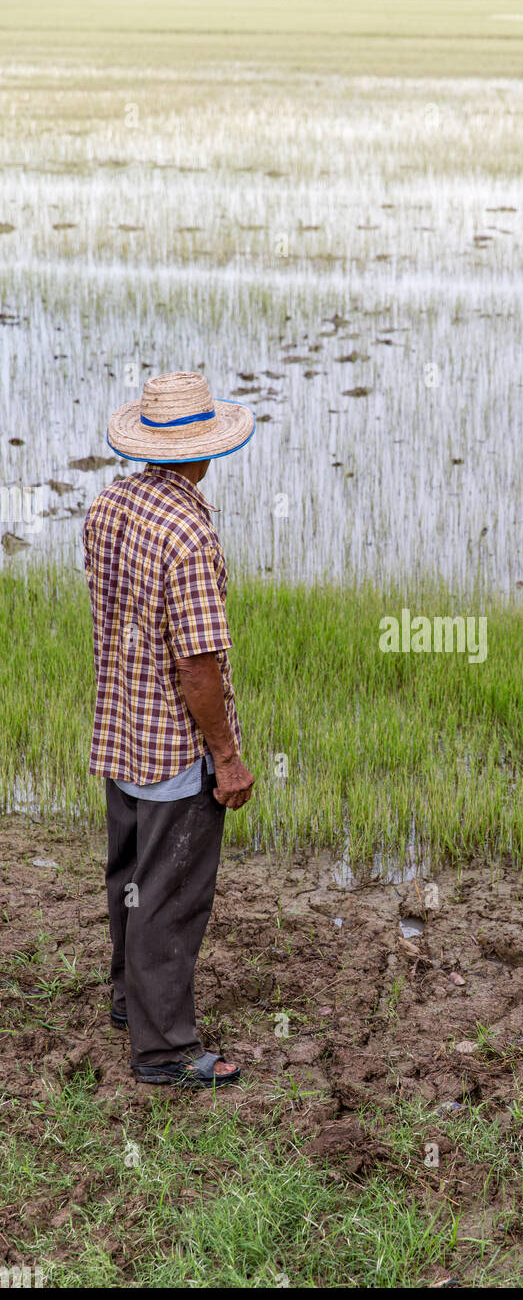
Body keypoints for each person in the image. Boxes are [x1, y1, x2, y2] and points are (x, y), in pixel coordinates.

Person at [82, 370, 256, 1087]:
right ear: (202, 450)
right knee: (173, 897)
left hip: (122, 734)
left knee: (129, 878)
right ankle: (163, 1051)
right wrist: (229, 758)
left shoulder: (109, 503)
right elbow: (198, 667)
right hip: (174, 755)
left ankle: (131, 1001)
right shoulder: (189, 533)